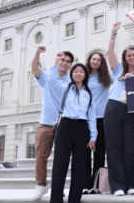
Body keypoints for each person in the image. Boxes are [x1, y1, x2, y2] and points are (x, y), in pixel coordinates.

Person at [104, 23, 134, 196]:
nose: (131, 57)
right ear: (124, 58)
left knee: (131, 147)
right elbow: (109, 54)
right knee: (114, 147)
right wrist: (113, 34)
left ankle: (132, 184)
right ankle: (117, 186)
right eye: (128, 55)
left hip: (132, 110)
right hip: (114, 107)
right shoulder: (117, 69)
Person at [50, 63, 98, 203]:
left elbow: (92, 117)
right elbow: (53, 79)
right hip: (65, 125)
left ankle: (74, 200)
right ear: (71, 75)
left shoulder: (87, 94)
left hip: (82, 129)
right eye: (75, 71)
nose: (78, 73)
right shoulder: (65, 88)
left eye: (81, 71)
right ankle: (56, 200)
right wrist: (57, 63)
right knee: (60, 165)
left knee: (80, 167)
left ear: (85, 75)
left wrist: (93, 137)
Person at [31, 46, 73, 200]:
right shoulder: (48, 76)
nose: (65, 63)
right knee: (41, 156)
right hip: (46, 124)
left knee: (61, 160)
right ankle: (40, 185)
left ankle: (58, 187)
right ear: (58, 61)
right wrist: (37, 53)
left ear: (70, 65)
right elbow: (35, 68)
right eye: (62, 60)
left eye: (68, 61)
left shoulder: (72, 81)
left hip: (64, 125)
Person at [83, 51, 113, 192]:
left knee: (100, 152)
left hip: (102, 118)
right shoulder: (83, 76)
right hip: (86, 118)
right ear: (89, 60)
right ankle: (85, 185)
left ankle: (96, 185)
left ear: (102, 63)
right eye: (93, 59)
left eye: (99, 60)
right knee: (85, 152)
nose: (95, 62)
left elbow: (120, 81)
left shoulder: (106, 77)